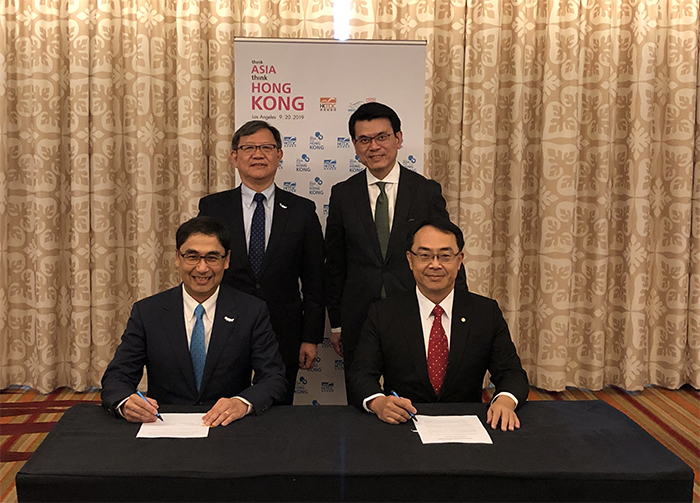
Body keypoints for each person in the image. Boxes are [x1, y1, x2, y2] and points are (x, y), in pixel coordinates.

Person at [325, 102, 465, 380]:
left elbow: (447, 252)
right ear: (354, 145)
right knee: (361, 395)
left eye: (382, 137)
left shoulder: (425, 191)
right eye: (364, 140)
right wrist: (337, 323)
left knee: (411, 393)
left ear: (398, 139)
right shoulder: (342, 194)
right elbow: (335, 263)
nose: (373, 146)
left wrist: (458, 310)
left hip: (414, 311)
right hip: (359, 316)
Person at [101, 216, 287, 425]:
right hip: (165, 427)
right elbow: (117, 376)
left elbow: (274, 377)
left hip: (229, 428)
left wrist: (241, 403)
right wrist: (126, 402)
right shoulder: (148, 312)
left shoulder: (251, 311)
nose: (201, 268)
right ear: (177, 258)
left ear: (226, 261)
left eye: (212, 257)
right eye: (192, 257)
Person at [348, 218, 529, 430]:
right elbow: (360, 374)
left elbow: (512, 373)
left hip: (468, 429)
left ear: (459, 259)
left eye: (445, 256)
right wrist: (379, 403)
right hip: (403, 427)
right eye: (425, 256)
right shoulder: (384, 313)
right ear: (410, 260)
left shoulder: (485, 312)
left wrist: (504, 402)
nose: (435, 264)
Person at [198, 121, 325, 405]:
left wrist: (310, 337)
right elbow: (203, 271)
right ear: (234, 157)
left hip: (284, 330)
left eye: (267, 147)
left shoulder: (302, 211)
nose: (258, 154)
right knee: (224, 409)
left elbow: (315, 280)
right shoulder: (212, 208)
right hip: (226, 326)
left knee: (277, 408)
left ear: (279, 154)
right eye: (248, 148)